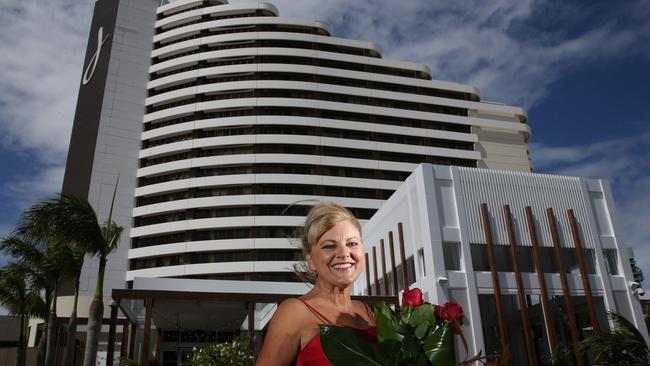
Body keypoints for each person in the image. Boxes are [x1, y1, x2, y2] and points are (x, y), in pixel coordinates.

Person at [256, 202, 376, 366]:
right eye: (329, 246)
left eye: (352, 243)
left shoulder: (365, 310)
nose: (344, 253)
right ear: (310, 259)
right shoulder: (294, 312)